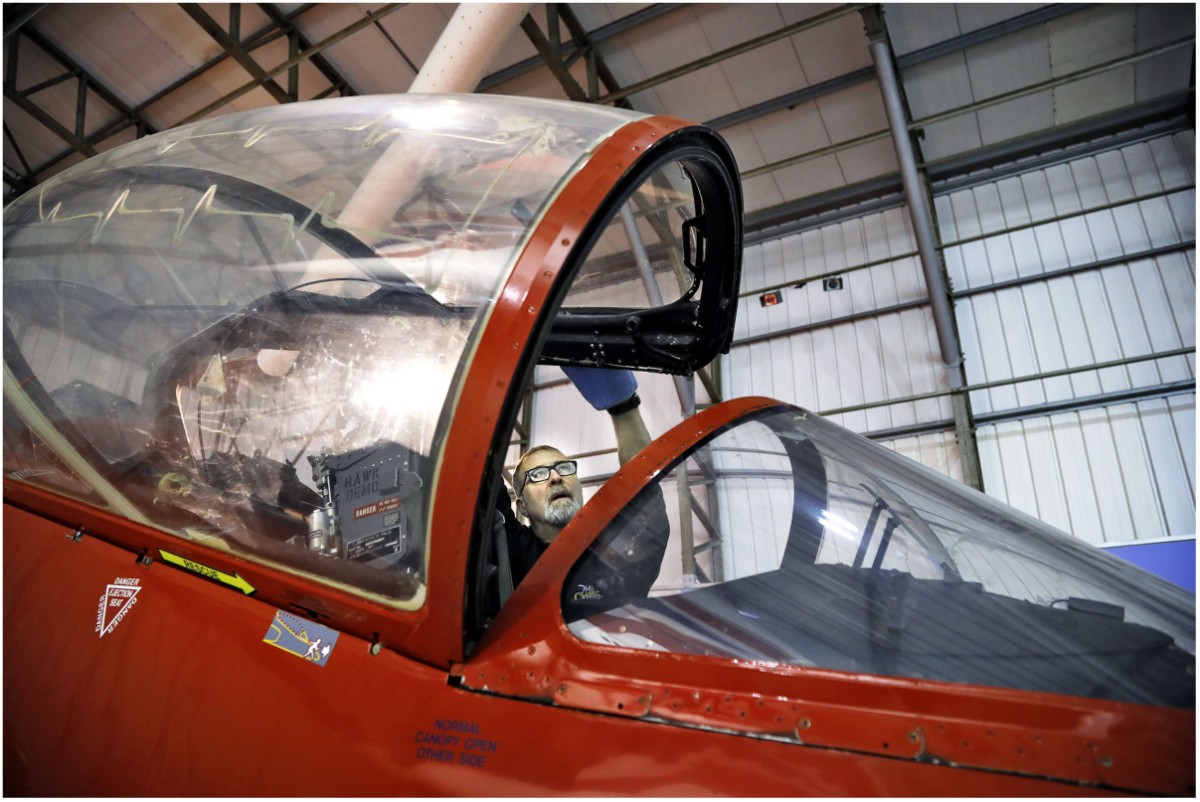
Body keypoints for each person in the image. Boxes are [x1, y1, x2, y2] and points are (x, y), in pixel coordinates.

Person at [493, 366, 665, 604]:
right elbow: (478, 470)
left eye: (563, 468)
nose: (555, 477)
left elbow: (643, 483)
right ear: (521, 507)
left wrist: (622, 404)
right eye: (539, 474)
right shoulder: (508, 552)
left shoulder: (616, 555)